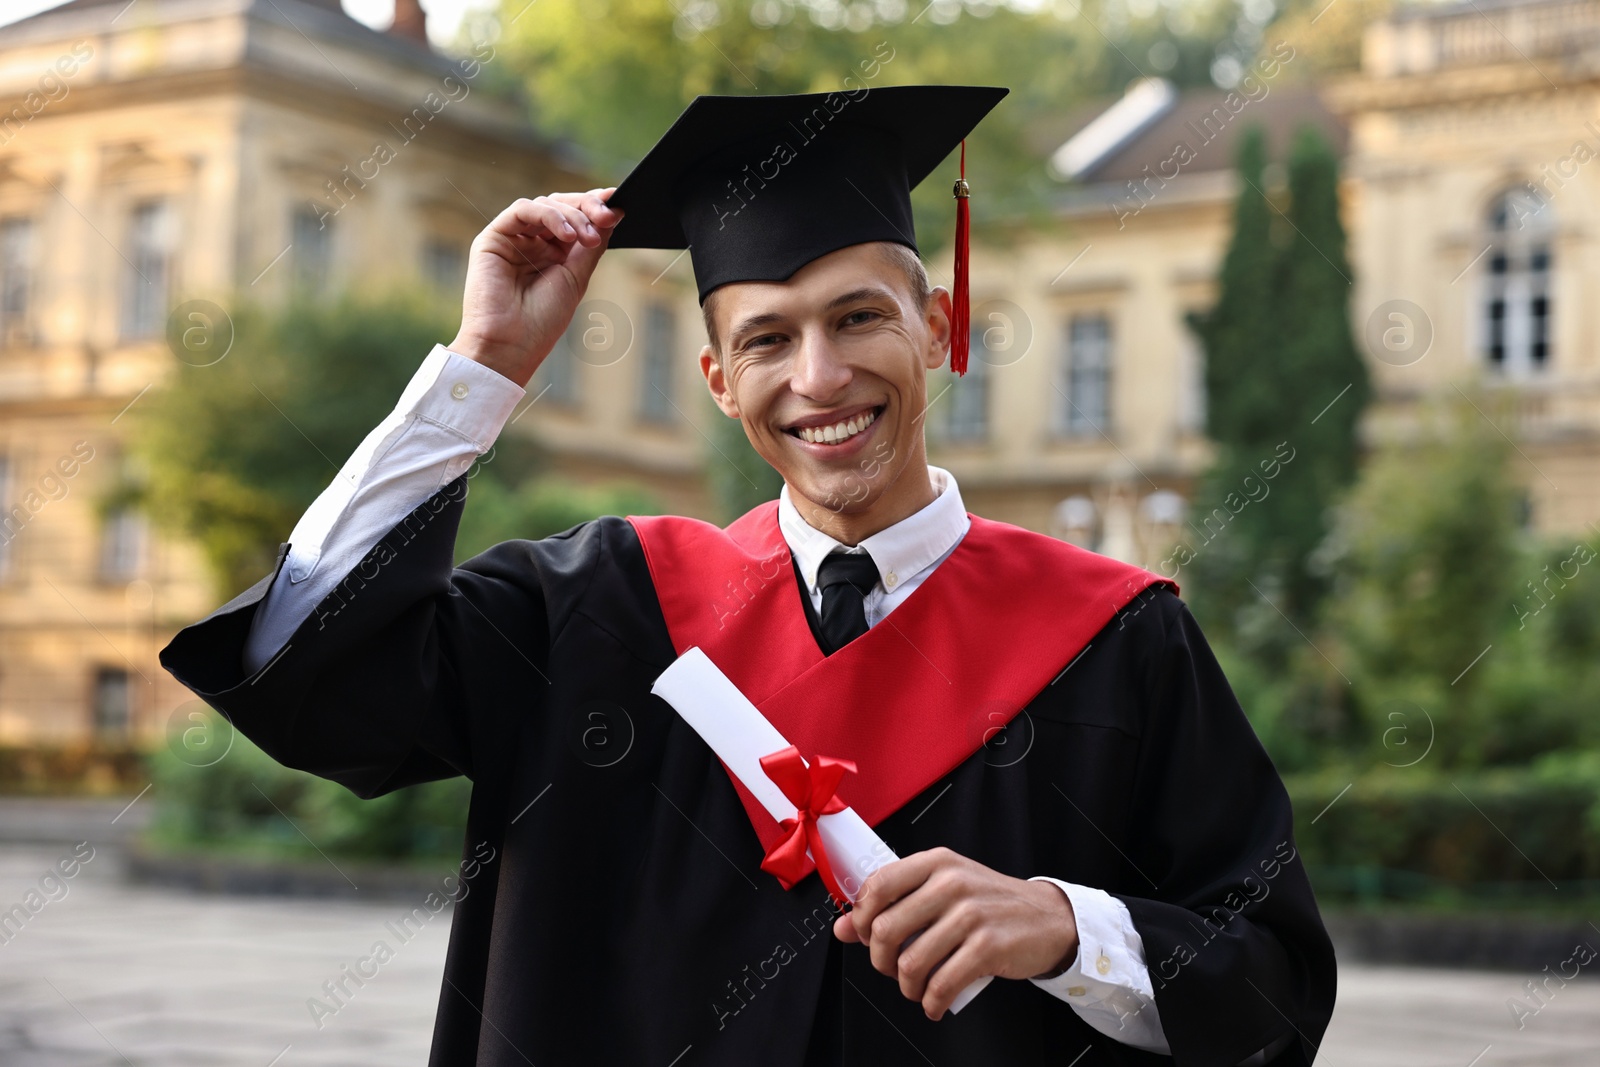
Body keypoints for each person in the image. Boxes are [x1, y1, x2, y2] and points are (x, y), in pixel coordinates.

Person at [160, 84, 1335, 1066]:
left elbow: (1273, 987)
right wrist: (484, 367)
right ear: (719, 380)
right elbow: (307, 666)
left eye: (858, 317)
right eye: (768, 338)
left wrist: (1068, 926)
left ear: (935, 325)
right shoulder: (595, 610)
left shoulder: (1113, 638)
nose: (818, 377)